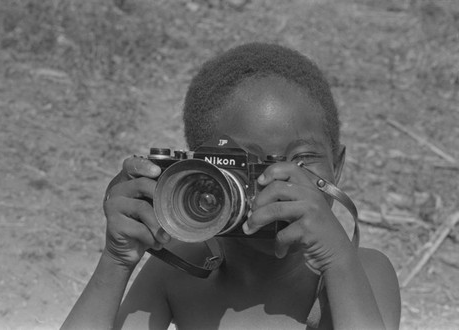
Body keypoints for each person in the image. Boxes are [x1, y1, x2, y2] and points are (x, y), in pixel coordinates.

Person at [62, 43, 401, 330]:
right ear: (202, 171)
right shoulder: (175, 273)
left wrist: (337, 258)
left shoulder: (360, 271)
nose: (278, 180)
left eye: (301, 161)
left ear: (337, 167)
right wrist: (116, 261)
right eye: (246, 165)